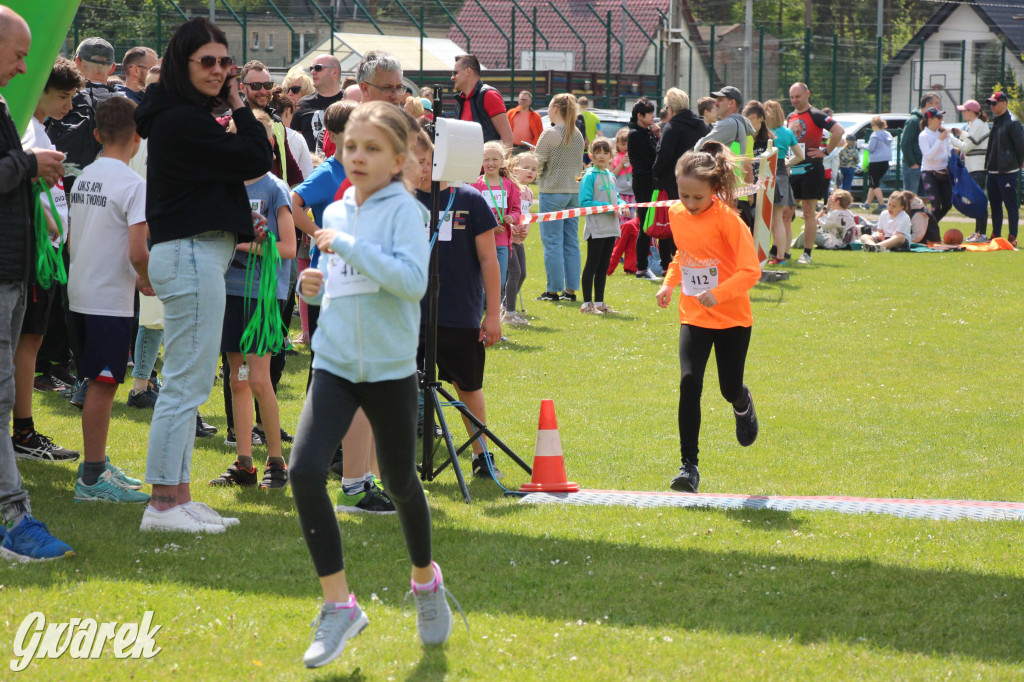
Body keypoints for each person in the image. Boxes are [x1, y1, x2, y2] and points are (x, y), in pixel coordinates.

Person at [291, 103, 457, 668]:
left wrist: (350, 249)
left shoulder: (406, 212)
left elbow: (411, 283)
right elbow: (332, 287)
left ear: (400, 159)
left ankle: (425, 583)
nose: (357, 157)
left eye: (372, 149)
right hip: (334, 365)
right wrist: (311, 289)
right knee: (304, 471)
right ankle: (339, 606)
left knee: (403, 482)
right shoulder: (334, 209)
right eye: (351, 147)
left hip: (388, 372)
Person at [134, 17, 273, 532]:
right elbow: (258, 155)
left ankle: (180, 497)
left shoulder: (177, 115)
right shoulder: (179, 120)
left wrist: (236, 218)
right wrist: (240, 101)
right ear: (181, 64)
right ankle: (164, 506)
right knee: (185, 385)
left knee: (188, 380)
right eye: (208, 62)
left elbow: (210, 183)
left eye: (225, 62)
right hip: (190, 258)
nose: (219, 71)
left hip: (198, 253)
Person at [0, 5, 77, 561]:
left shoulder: (4, 106)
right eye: (20, 54)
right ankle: (14, 519)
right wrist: (28, 163)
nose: (25, 68)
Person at [291, 100, 390, 511]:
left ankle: (354, 475)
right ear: (333, 136)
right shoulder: (328, 172)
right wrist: (318, 234)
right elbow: (293, 202)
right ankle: (350, 481)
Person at [655, 141, 760, 494]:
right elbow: (684, 254)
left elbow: (751, 271)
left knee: (729, 387)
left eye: (697, 197)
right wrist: (670, 283)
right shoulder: (675, 214)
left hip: (732, 318)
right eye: (683, 195)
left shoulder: (730, 221)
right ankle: (689, 466)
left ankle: (742, 405)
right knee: (689, 383)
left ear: (714, 190)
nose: (689, 203)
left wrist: (719, 294)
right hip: (694, 315)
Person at [66, 96, 151, 504]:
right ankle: (93, 478)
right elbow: (138, 250)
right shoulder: (134, 184)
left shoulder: (84, 177)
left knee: (95, 381)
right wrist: (147, 279)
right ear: (138, 138)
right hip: (108, 301)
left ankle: (93, 464)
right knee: (103, 386)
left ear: (98, 135)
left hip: (80, 291)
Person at [211, 110, 296, 489]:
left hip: (261, 297)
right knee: (237, 378)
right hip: (228, 290)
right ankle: (244, 463)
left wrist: (246, 243)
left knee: (260, 378)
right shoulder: (223, 184)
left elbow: (291, 248)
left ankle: (276, 462)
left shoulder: (275, 188)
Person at [412, 131, 503, 479]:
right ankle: (398, 455)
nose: (422, 170)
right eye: (415, 162)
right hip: (409, 314)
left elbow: (489, 260)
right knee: (402, 387)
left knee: (468, 386)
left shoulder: (470, 199)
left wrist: (492, 314)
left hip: (459, 313)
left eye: (427, 162)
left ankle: (482, 454)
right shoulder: (401, 198)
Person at [10, 57, 80, 462]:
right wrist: (50, 221)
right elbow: (29, 183)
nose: (69, 106)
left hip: (46, 251)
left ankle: (22, 429)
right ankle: (22, 431)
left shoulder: (39, 128)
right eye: (62, 96)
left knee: (31, 339)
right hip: (35, 250)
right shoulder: (23, 127)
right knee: (27, 339)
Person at [45, 37, 122, 192]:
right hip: (109, 192)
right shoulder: (125, 104)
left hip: (62, 191)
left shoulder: (61, 99)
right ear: (113, 68)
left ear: (77, 62)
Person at [786, 81, 845, 265]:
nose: (795, 100)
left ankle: (807, 253)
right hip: (793, 171)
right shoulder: (790, 116)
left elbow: (839, 131)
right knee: (786, 213)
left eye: (798, 96)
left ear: (807, 94)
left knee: (809, 213)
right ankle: (782, 252)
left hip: (812, 171)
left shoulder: (817, 115)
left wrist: (825, 151)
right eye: (792, 97)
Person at [535, 93, 586, 302]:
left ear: (556, 108)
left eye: (549, 106)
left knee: (553, 243)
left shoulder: (550, 134)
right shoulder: (578, 134)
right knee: (570, 242)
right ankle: (571, 290)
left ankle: (553, 290)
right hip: (573, 193)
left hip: (552, 191)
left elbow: (537, 163)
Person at [653, 88, 708, 270]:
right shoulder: (702, 126)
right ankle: (692, 262)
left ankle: (668, 266)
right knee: (694, 224)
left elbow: (664, 156)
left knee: (669, 226)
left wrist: (656, 173)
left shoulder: (671, 127)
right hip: (700, 182)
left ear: (670, 109)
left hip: (674, 183)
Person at [578, 138, 626, 314]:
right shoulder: (589, 175)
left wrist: (621, 205)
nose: (602, 156)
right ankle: (586, 304)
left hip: (611, 227)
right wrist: (608, 209)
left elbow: (616, 198)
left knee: (603, 266)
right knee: (592, 264)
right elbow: (584, 202)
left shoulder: (611, 175)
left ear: (611, 156)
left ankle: (599, 303)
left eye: (606, 152)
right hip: (596, 228)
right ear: (591, 154)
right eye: (598, 152)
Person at [471, 141, 520, 302]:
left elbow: (516, 209)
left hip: (502, 244)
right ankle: (480, 309)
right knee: (480, 279)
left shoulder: (509, 186)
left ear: (502, 161)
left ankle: (494, 311)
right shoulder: (475, 185)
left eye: (494, 159)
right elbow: (471, 214)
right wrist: (490, 227)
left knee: (499, 281)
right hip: (481, 242)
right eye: (486, 159)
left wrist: (512, 217)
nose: (490, 163)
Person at [763, 99, 803, 265]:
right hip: (781, 174)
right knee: (779, 219)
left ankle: (771, 255)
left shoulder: (764, 131)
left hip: (766, 173)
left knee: (768, 219)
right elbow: (801, 156)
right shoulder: (787, 132)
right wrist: (786, 163)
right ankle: (781, 256)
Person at [984, 91, 1024, 247]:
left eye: (994, 103)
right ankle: (996, 234)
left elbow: (1020, 145)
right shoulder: (997, 121)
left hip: (1007, 171)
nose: (992, 106)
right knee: (994, 205)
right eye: (990, 104)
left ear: (1004, 103)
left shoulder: (1013, 122)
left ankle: (1012, 236)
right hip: (993, 171)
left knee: (1010, 205)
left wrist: (1019, 162)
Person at [627, 96, 659, 279]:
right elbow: (653, 155)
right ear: (640, 115)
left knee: (650, 224)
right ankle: (641, 267)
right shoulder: (636, 135)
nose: (653, 117)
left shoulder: (645, 132)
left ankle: (647, 265)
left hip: (649, 182)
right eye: (650, 113)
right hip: (643, 182)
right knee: (645, 224)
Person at [950, 100, 990, 242]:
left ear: (971, 111)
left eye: (964, 110)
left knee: (979, 201)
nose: (962, 112)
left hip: (978, 167)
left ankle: (982, 233)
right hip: (974, 167)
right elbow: (974, 141)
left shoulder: (978, 124)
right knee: (975, 200)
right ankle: (978, 232)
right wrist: (962, 134)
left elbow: (966, 148)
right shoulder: (975, 123)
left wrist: (949, 137)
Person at [451, 54, 512, 146]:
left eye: (455, 73)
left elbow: (507, 138)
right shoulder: (461, 100)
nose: (452, 77)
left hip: (487, 160)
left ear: (468, 71)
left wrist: (501, 160)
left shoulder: (488, 95)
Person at [505, 151, 536, 324]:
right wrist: (511, 227)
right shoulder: (511, 188)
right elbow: (506, 212)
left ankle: (505, 306)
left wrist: (526, 230)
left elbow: (528, 214)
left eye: (534, 169)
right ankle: (509, 313)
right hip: (507, 238)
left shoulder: (529, 192)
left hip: (519, 240)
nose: (530, 171)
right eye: (526, 168)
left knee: (522, 273)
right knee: (515, 272)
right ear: (515, 169)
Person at [291, 54, 343, 153]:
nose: (312, 72)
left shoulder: (348, 101)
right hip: (311, 167)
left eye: (318, 68)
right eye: (311, 68)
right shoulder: (302, 104)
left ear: (334, 72)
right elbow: (295, 145)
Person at [900, 92, 940, 195]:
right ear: (927, 104)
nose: (938, 106)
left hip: (924, 166)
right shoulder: (914, 121)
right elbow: (905, 143)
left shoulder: (928, 121)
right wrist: (913, 164)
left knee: (923, 198)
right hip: (913, 167)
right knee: (909, 198)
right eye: (936, 103)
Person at [918, 107, 953, 223]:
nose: (941, 120)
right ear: (930, 119)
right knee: (935, 206)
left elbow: (949, 151)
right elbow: (929, 156)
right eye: (938, 117)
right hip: (929, 172)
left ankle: (929, 225)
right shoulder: (923, 135)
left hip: (943, 172)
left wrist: (957, 151)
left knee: (948, 204)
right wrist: (939, 140)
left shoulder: (943, 133)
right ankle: (930, 228)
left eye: (941, 117)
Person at [862, 116, 892, 211]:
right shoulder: (887, 134)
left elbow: (871, 148)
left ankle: (882, 204)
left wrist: (862, 145)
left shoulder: (875, 135)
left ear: (874, 125)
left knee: (875, 184)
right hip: (885, 162)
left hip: (875, 163)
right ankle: (867, 203)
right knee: (873, 183)